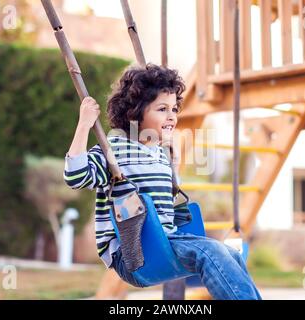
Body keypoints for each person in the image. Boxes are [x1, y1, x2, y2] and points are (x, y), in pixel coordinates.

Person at [64, 64, 261, 300]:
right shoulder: (114, 149)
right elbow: (75, 177)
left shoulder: (160, 152)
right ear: (135, 111)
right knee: (212, 251)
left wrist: (173, 166)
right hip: (133, 252)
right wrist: (84, 124)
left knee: (231, 254)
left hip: (165, 241)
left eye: (174, 109)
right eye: (162, 109)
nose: (172, 116)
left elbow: (165, 199)